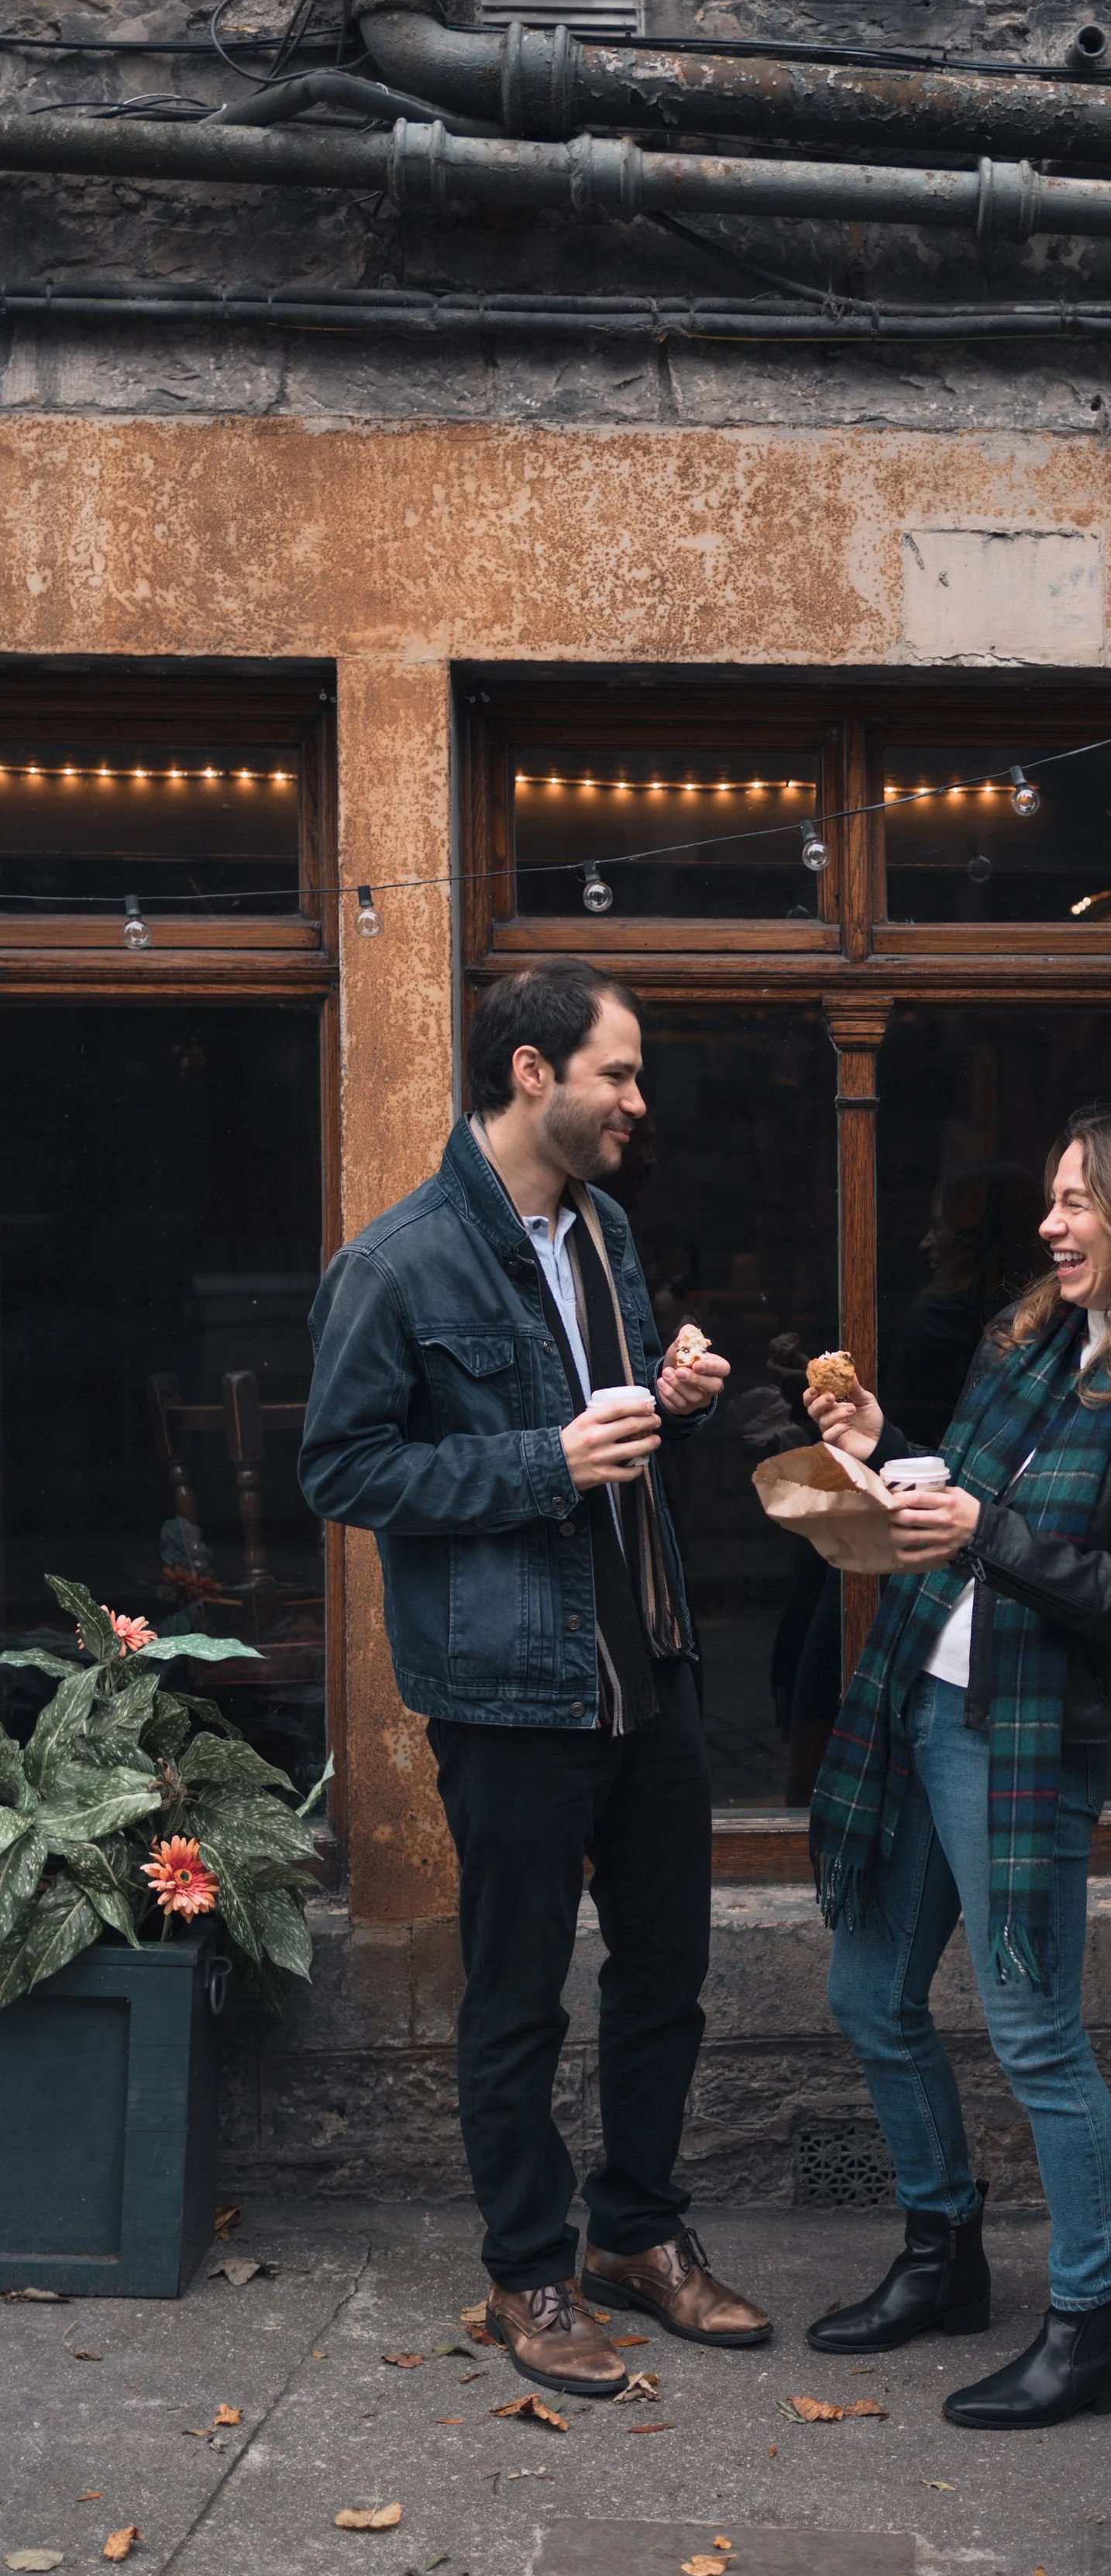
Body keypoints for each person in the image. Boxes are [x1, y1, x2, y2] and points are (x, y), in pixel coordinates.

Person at [299, 960, 771, 2396]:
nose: (638, 1100)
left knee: (666, 1977)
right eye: (617, 1074)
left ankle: (638, 2234)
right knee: (517, 1998)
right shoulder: (397, 1263)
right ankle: (528, 2272)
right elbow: (343, 1469)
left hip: (649, 1664)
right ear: (530, 1073)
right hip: (510, 1691)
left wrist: (671, 1404)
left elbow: (611, 1435)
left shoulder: (604, 1229)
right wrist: (541, 1461)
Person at [802, 1102, 1111, 2430]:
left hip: (1019, 1744)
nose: (1050, 1226)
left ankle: (1091, 2325)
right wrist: (882, 1450)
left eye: (1076, 1203)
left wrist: (983, 1528)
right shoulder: (1039, 1341)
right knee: (870, 1993)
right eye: (1053, 1200)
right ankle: (943, 2254)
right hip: (921, 1702)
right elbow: (960, 1501)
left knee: (1036, 2036)